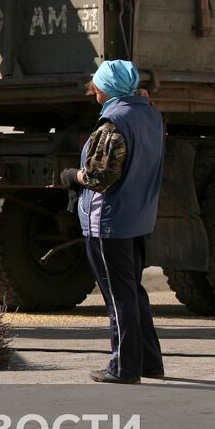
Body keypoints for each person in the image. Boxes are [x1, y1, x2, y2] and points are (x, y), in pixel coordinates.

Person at [61, 60, 165, 384]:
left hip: (110, 222)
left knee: (118, 297)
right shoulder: (149, 115)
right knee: (133, 290)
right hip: (138, 218)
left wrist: (71, 176)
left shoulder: (114, 123)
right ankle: (150, 362)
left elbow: (99, 176)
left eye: (97, 85)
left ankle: (123, 368)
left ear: (106, 87)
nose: (93, 90)